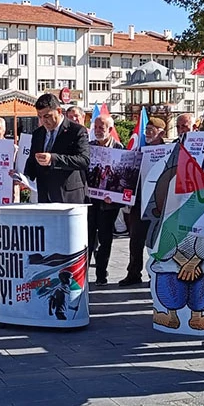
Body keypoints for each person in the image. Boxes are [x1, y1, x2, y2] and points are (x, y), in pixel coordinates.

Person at [120, 118, 167, 287]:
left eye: (151, 130)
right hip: (139, 202)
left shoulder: (168, 150)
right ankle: (133, 273)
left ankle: (157, 273)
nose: (147, 133)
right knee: (136, 240)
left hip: (159, 204)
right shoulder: (139, 149)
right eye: (146, 129)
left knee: (158, 242)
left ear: (161, 132)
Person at [21, 92, 89, 203]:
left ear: (58, 111)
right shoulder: (38, 133)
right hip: (44, 195)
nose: (43, 120)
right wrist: (25, 177)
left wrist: (53, 159)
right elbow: (32, 160)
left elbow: (83, 160)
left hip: (68, 196)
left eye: (47, 116)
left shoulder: (76, 131)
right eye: (40, 117)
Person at [87, 113, 122, 286]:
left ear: (110, 129)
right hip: (90, 201)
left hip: (109, 204)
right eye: (96, 127)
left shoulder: (119, 148)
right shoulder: (89, 147)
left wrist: (116, 197)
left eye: (102, 127)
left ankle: (101, 274)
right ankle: (84, 275)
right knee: (87, 239)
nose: (98, 130)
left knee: (105, 239)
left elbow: (124, 178)